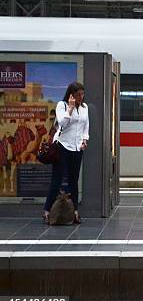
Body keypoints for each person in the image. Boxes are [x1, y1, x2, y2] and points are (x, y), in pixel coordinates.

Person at [43, 82, 89, 224]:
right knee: (57, 179)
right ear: (71, 95)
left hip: (77, 147)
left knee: (73, 181)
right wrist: (69, 108)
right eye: (78, 95)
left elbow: (85, 125)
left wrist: (85, 139)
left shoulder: (84, 107)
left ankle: (74, 211)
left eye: (82, 94)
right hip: (62, 146)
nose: (81, 97)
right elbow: (62, 124)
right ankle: (47, 210)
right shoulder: (61, 105)